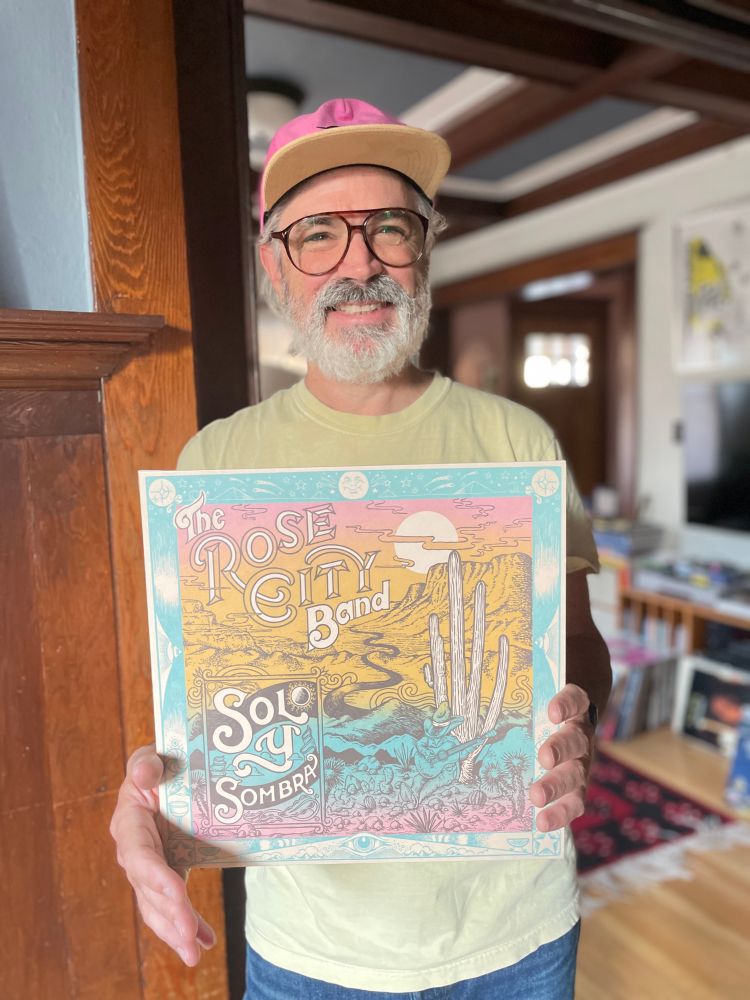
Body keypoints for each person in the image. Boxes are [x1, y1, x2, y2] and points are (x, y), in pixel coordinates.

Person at [111, 98, 612, 999]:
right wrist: (151, 798)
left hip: (515, 934)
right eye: (318, 235)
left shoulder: (519, 442)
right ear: (275, 266)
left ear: (424, 252)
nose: (360, 263)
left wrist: (579, 724)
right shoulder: (216, 465)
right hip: (309, 950)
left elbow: (578, 645)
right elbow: (206, 701)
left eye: (389, 228)